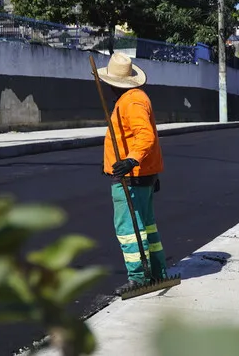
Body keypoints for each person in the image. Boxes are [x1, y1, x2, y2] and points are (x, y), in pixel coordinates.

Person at [98, 52, 168, 296]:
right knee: (147, 226)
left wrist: (130, 161)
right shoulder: (135, 98)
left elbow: (145, 136)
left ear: (111, 83)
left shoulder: (131, 101)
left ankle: (138, 276)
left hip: (132, 176)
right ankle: (158, 272)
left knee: (128, 228)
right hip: (142, 174)